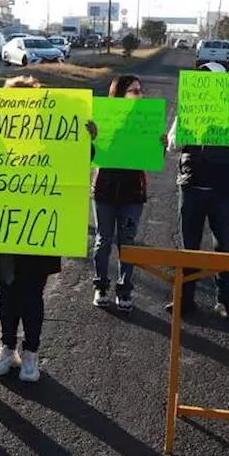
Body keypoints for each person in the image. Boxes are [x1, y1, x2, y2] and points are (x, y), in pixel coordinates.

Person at [0, 74, 94, 383]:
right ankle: (6, 347)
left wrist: (86, 140)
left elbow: (75, 163)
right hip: (2, 231)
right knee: (6, 293)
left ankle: (31, 353)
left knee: (32, 295)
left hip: (39, 232)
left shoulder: (52, 137)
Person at [166, 61, 229, 319]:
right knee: (188, 246)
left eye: (210, 80)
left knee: (224, 246)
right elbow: (173, 145)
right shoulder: (188, 110)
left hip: (223, 188)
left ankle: (224, 301)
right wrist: (188, 132)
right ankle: (184, 299)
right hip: (192, 186)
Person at [91, 74, 158, 312]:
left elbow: (153, 156)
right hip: (105, 188)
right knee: (103, 239)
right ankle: (100, 286)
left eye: (140, 90)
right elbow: (90, 154)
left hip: (132, 191)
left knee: (127, 242)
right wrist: (90, 137)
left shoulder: (146, 120)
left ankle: (124, 289)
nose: (140, 95)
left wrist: (158, 142)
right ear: (120, 94)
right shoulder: (103, 117)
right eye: (134, 91)